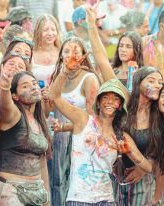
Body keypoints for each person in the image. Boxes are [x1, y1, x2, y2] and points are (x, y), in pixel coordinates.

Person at [86, 6, 164, 205]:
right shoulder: (120, 91)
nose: (122, 50)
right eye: (121, 45)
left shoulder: (148, 92)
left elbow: (161, 139)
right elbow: (101, 58)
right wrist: (91, 25)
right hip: (114, 153)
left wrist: (145, 165)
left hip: (142, 162)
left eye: (128, 46)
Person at [51, 70, 153, 205]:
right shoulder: (83, 120)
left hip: (106, 200)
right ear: (98, 103)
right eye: (105, 97)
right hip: (79, 199)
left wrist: (129, 153)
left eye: (116, 98)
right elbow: (55, 97)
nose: (110, 101)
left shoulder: (121, 137)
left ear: (120, 107)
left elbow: (148, 168)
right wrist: (65, 72)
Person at [50, 36, 100, 206]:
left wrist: (64, 127)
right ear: (61, 56)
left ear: (84, 56)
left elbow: (93, 122)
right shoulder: (59, 76)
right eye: (67, 51)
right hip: (58, 138)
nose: (71, 56)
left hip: (79, 139)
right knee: (57, 183)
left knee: (75, 183)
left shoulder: (89, 79)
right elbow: (51, 101)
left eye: (76, 52)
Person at [0, 71, 51, 206]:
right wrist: (5, 88)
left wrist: (47, 199)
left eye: (34, 83)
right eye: (25, 86)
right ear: (15, 96)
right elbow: (5, 105)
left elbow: (42, 163)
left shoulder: (39, 121)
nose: (33, 87)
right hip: (11, 190)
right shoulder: (13, 115)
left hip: (38, 191)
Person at [32, 14, 61, 85]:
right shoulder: (31, 54)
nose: (50, 33)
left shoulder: (63, 52)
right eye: (45, 30)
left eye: (53, 30)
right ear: (38, 32)